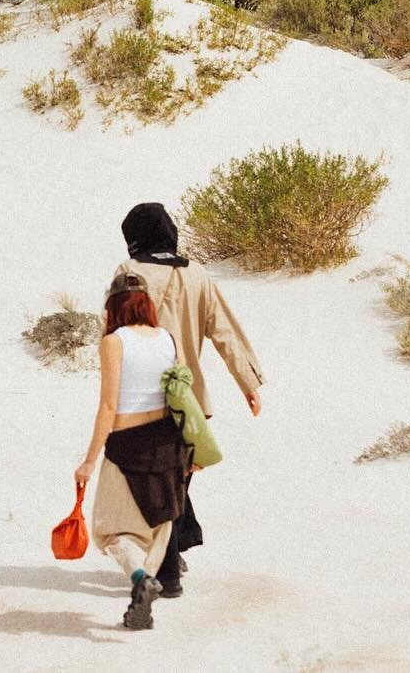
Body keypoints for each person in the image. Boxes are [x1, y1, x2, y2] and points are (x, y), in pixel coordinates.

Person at [114, 202, 265, 599]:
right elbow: (224, 331)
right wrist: (248, 382)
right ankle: (178, 546)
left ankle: (168, 575)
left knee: (156, 486)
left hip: (143, 400)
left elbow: (113, 331)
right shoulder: (197, 274)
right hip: (191, 400)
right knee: (175, 478)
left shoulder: (130, 273)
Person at [74, 271, 189, 631]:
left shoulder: (114, 342)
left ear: (114, 307)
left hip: (128, 447)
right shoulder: (167, 339)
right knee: (158, 526)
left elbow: (108, 407)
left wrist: (89, 461)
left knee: (111, 530)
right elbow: (183, 395)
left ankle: (141, 580)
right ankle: (143, 595)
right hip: (169, 443)